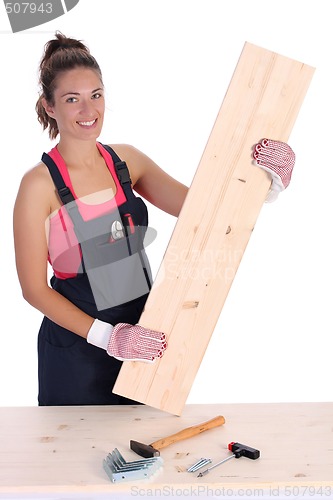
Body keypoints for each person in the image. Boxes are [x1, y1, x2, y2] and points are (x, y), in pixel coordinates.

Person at [13, 32, 295, 406]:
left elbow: (206, 212)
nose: (88, 110)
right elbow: (33, 289)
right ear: (49, 106)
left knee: (144, 456)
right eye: (72, 99)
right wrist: (108, 338)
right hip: (77, 350)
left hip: (145, 339)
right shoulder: (37, 185)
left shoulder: (126, 161)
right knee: (73, 458)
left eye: (96, 95)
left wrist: (266, 183)